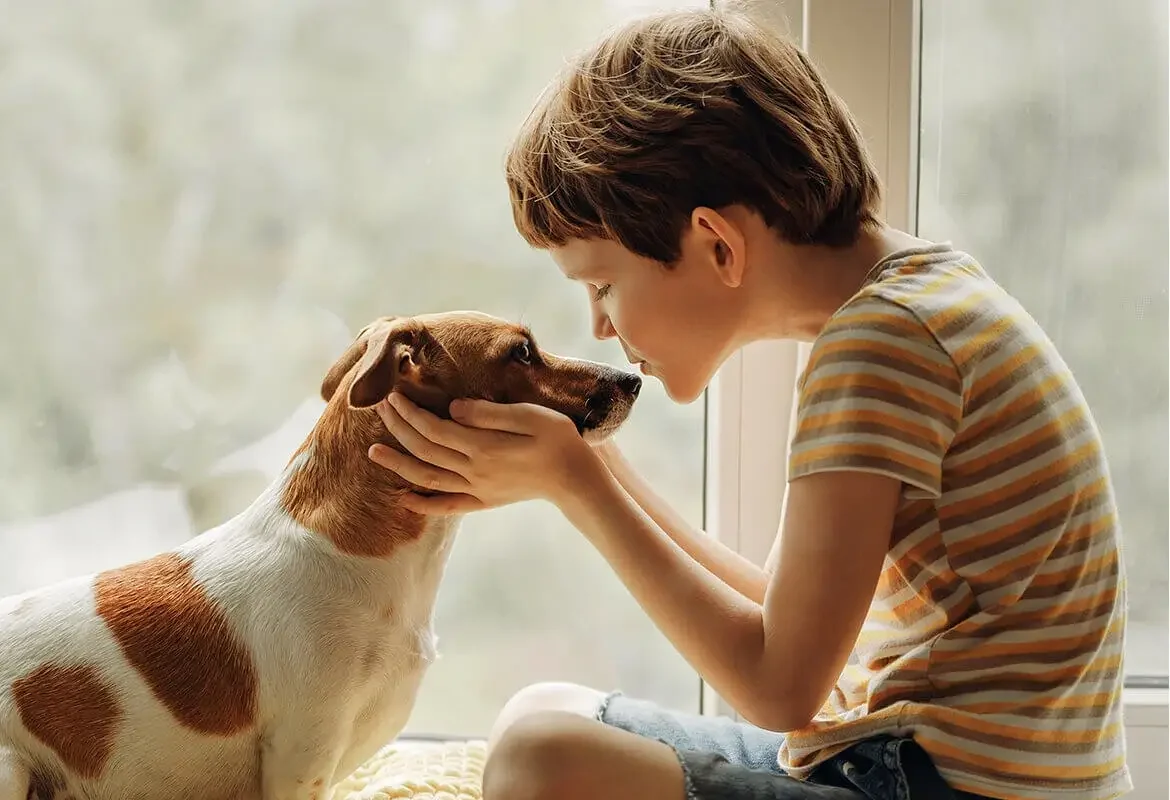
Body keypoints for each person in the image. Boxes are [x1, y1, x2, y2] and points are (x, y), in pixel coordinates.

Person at [367, 8, 1131, 800]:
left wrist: (579, 488)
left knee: (538, 757)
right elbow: (785, 615)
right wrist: (598, 465)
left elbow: (780, 688)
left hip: (947, 785)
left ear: (718, 246)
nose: (597, 323)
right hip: (906, 760)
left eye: (602, 285)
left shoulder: (882, 348)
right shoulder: (916, 301)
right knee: (544, 709)